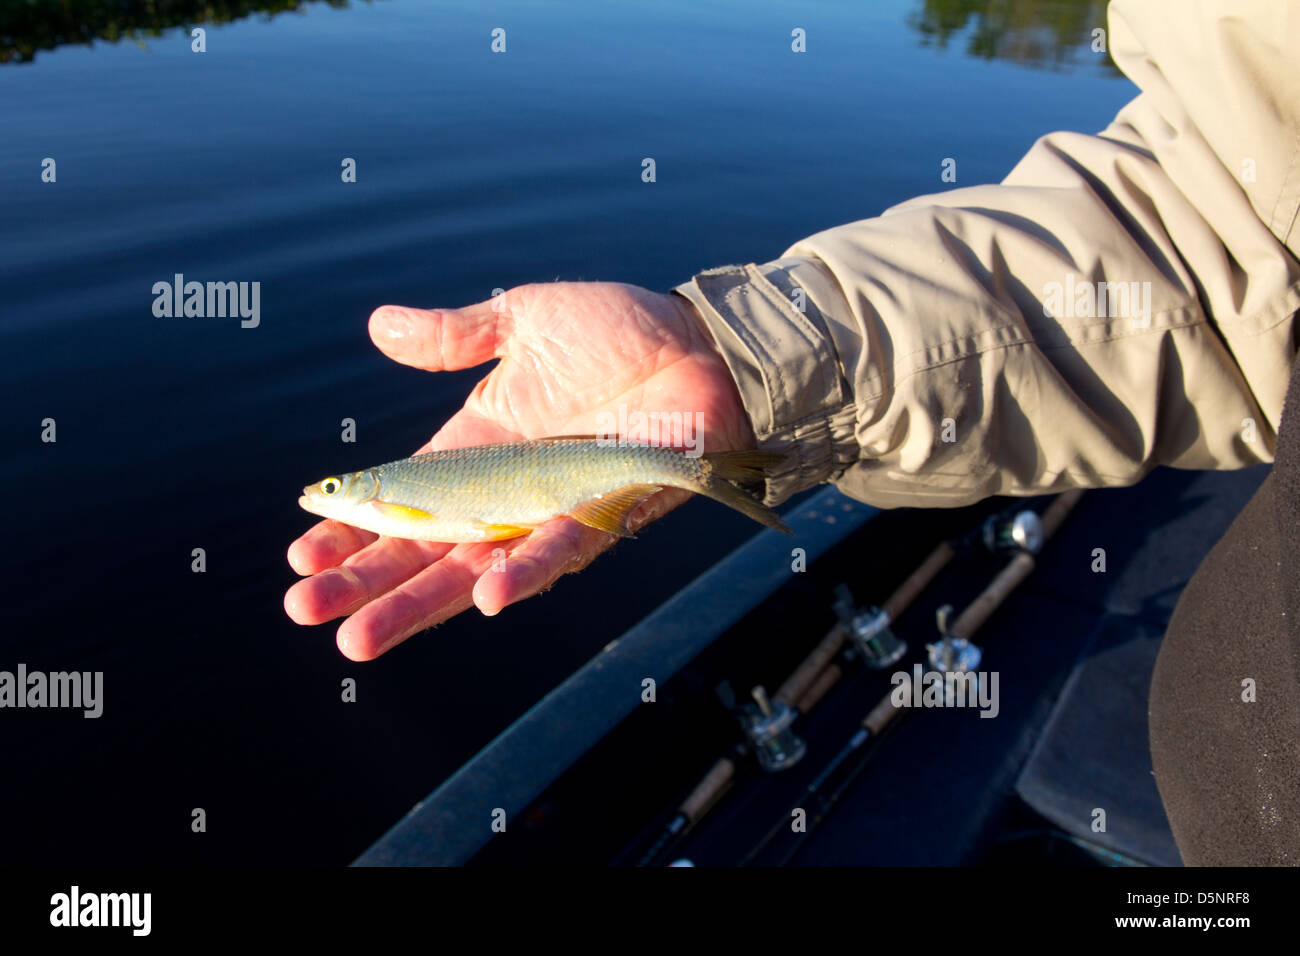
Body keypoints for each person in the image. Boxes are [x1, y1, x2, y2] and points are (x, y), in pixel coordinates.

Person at [285, 0, 1300, 865]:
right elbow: (1206, 224)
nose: (330, 496)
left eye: (336, 486)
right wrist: (746, 356)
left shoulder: (396, 496)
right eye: (335, 490)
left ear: (369, 485)